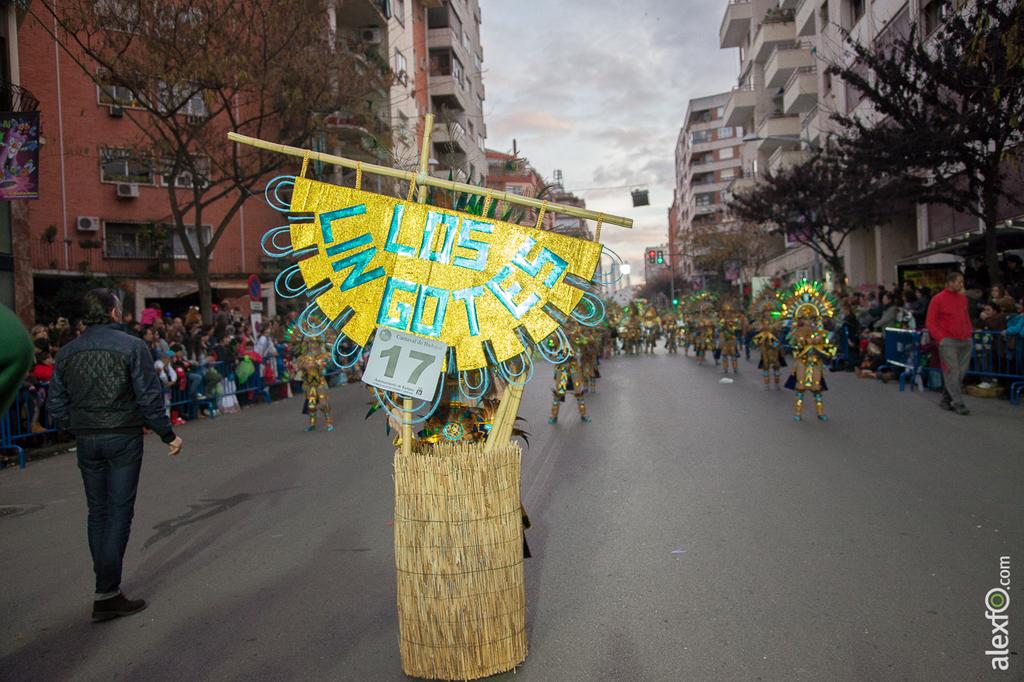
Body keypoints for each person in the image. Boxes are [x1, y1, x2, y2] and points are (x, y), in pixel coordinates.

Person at [47, 288, 183, 622]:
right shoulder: (132, 346)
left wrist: (80, 425)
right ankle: (107, 591)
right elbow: (149, 396)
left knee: (98, 512)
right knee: (119, 511)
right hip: (122, 436)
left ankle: (105, 587)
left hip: (88, 439)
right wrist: (167, 434)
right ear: (112, 313)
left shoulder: (66, 353)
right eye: (119, 308)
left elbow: (55, 403)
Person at [925, 272, 973, 415]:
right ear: (950, 283)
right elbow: (930, 322)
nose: (961, 284)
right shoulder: (937, 299)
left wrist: (969, 334)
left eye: (962, 282)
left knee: (960, 372)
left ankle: (946, 399)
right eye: (959, 282)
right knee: (952, 371)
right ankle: (958, 402)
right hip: (948, 340)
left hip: (964, 339)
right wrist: (940, 338)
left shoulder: (963, 299)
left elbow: (966, 318)